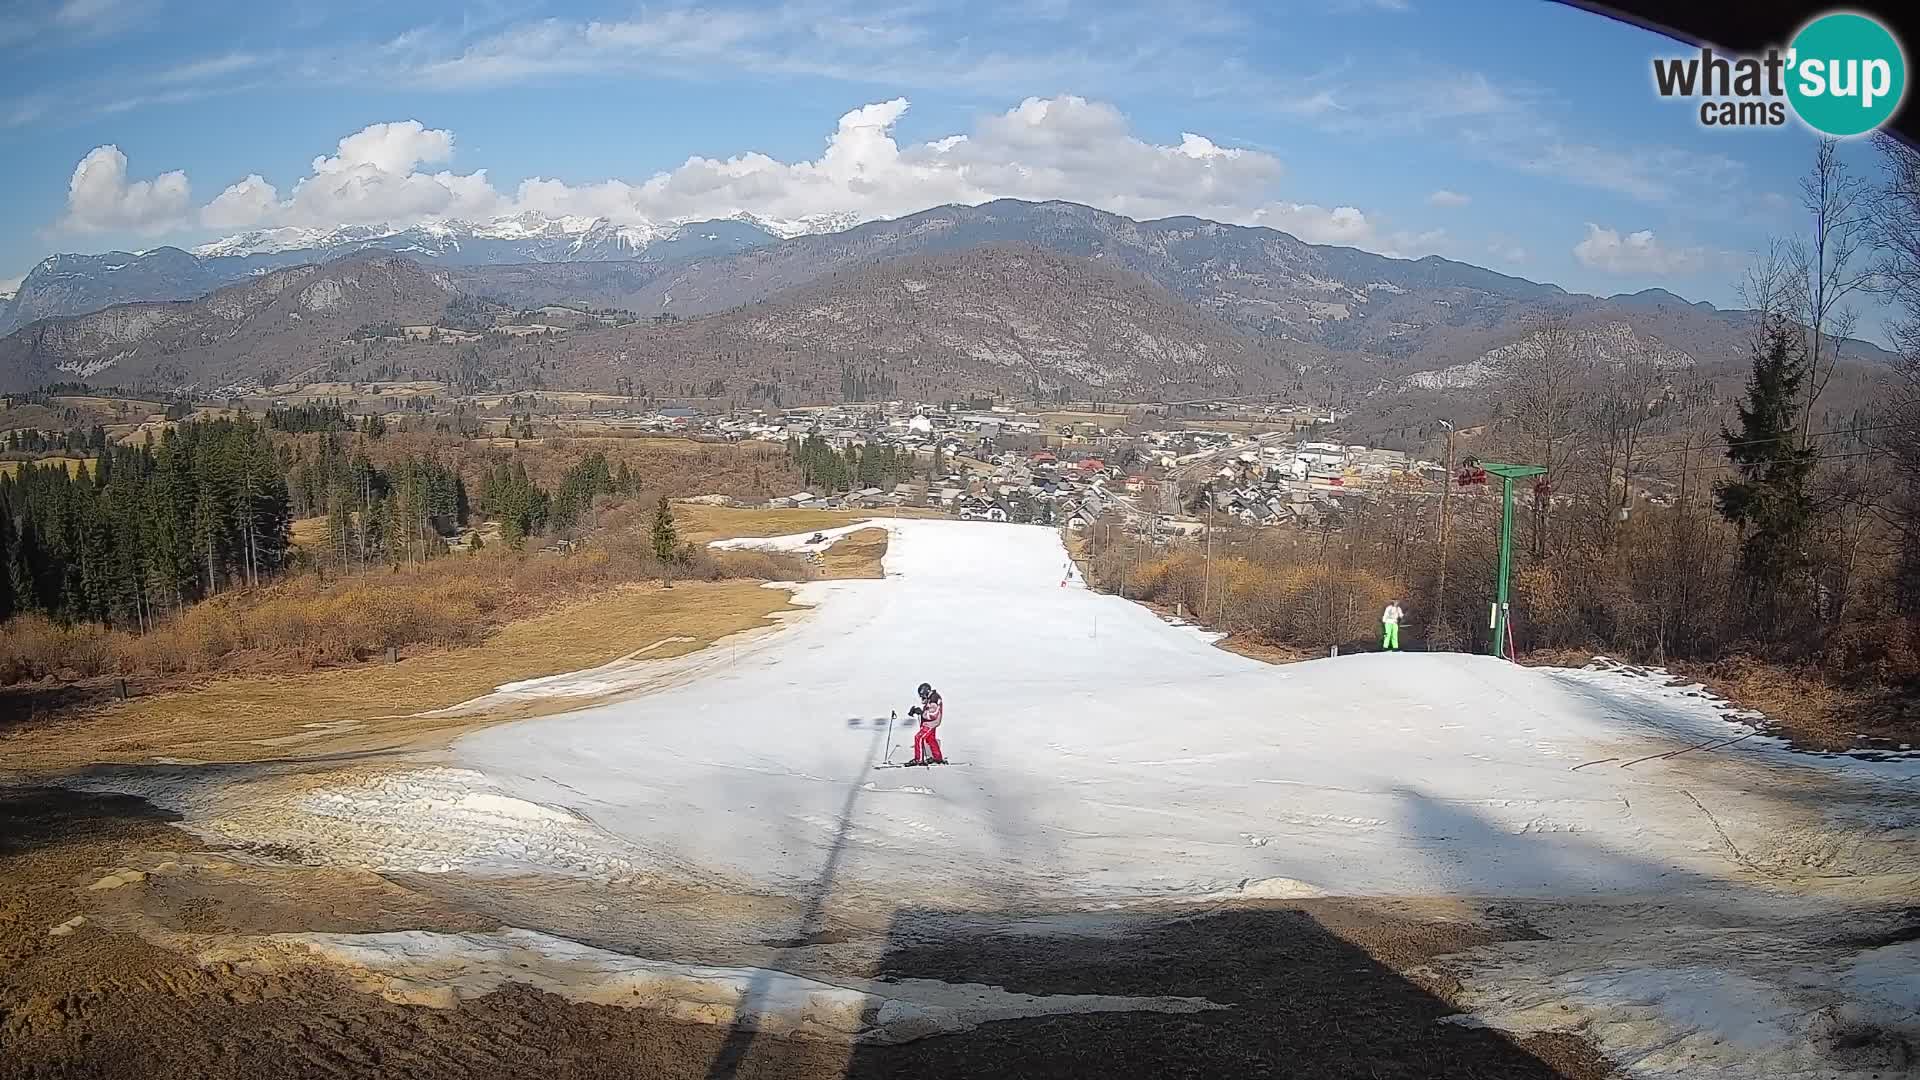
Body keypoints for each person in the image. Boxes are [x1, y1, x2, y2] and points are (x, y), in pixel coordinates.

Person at [906, 682, 946, 765]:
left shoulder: (934, 699)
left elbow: (933, 714)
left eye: (922, 694)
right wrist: (917, 710)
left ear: (926, 692)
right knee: (931, 739)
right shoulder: (931, 697)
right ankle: (937, 758)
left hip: (930, 723)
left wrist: (921, 713)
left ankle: (919, 759)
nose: (921, 697)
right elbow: (927, 709)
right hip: (931, 722)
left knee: (918, 737)